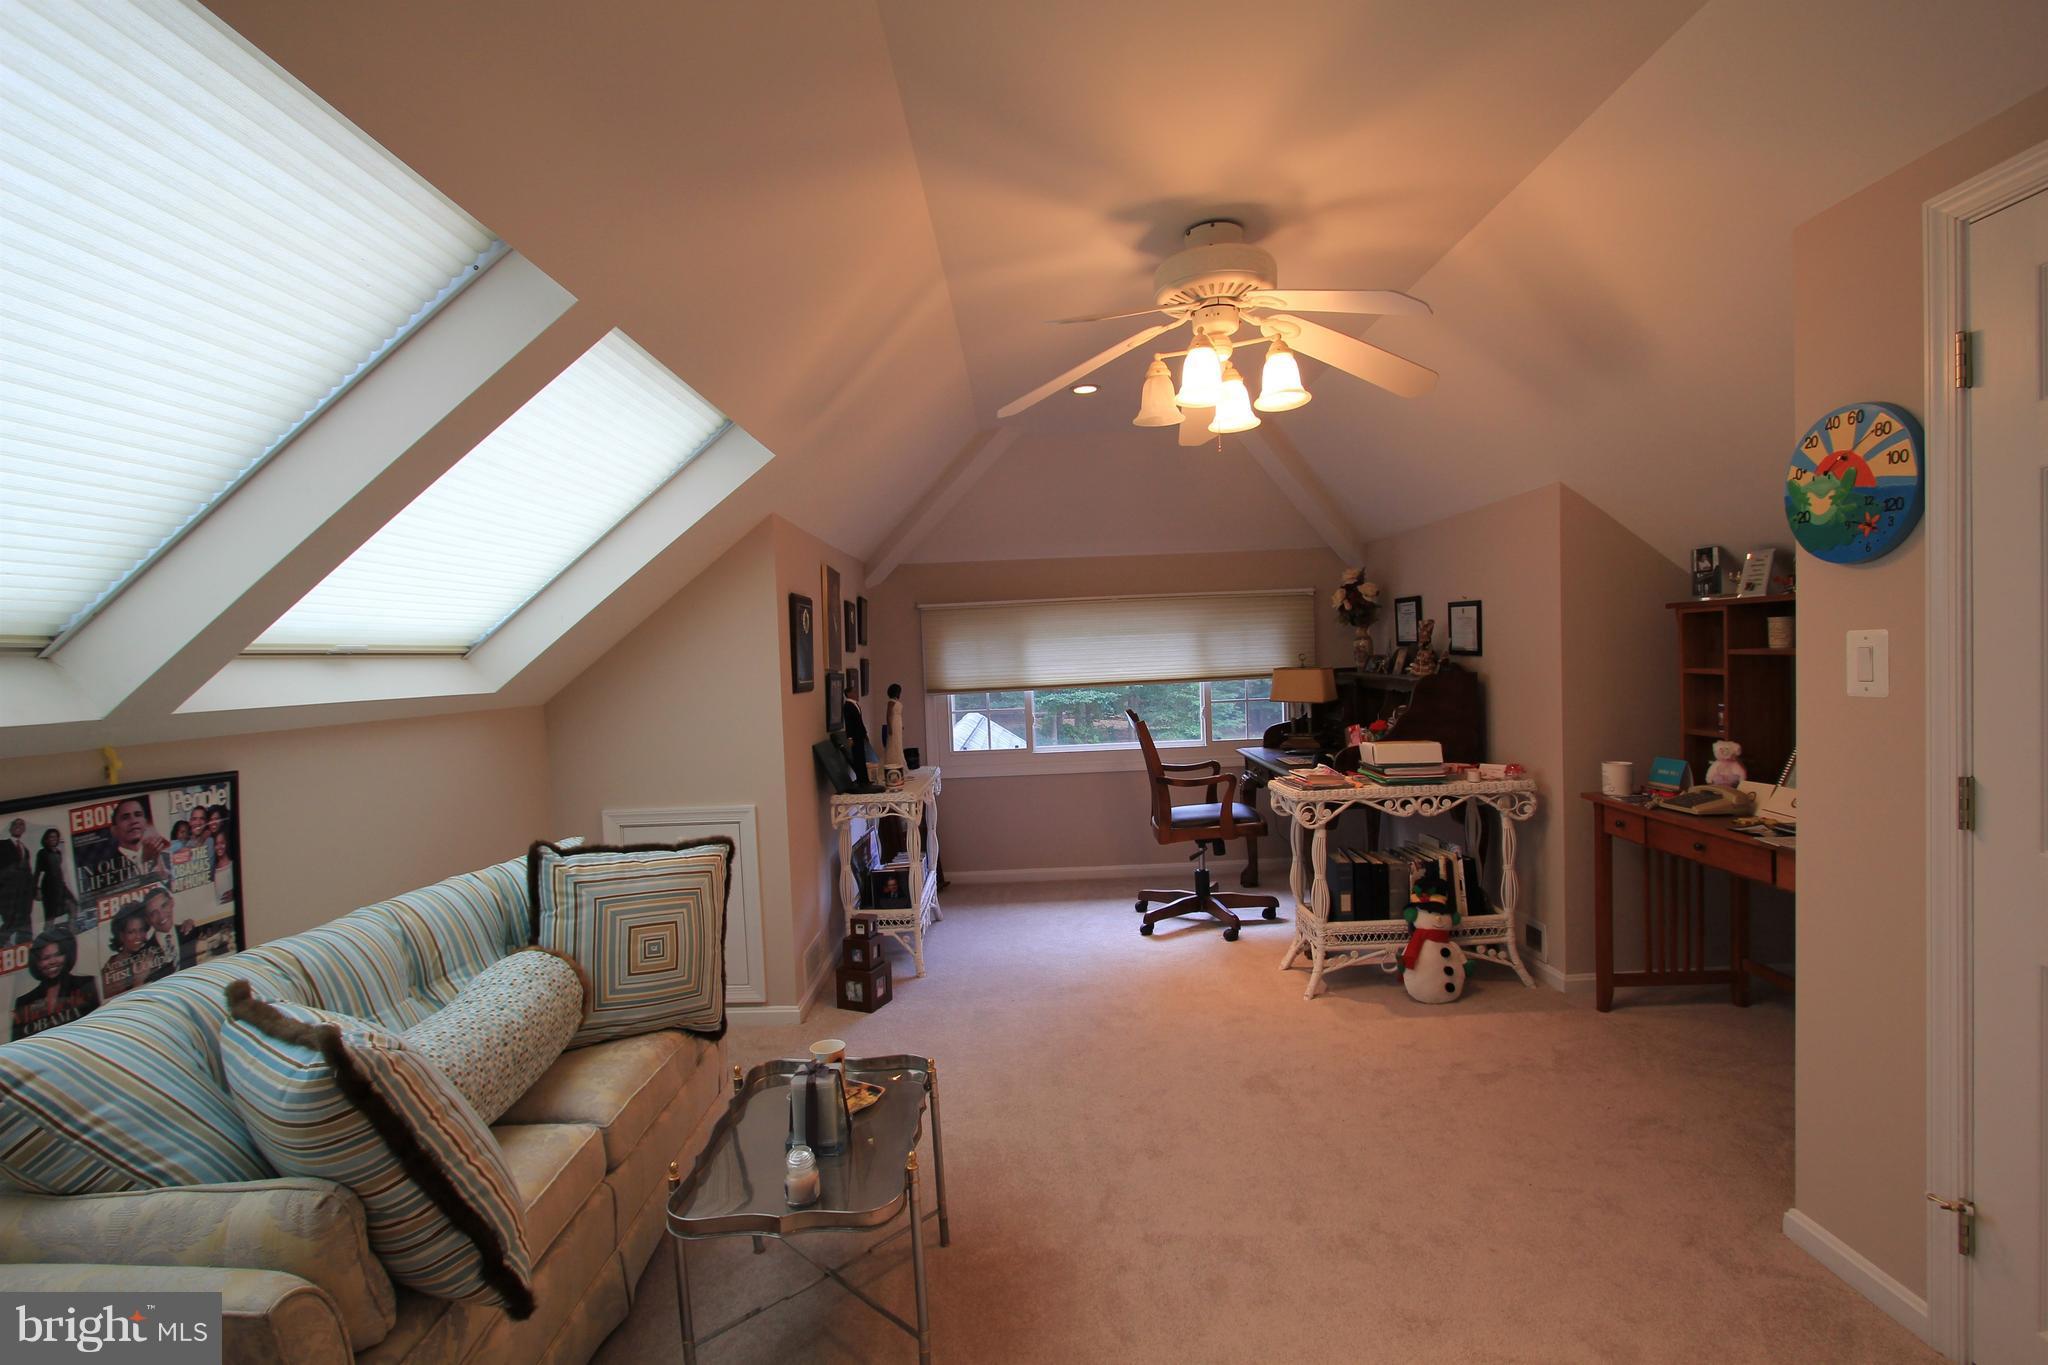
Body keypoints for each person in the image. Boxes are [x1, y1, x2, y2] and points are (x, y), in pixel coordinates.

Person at [11, 928, 100, 1039]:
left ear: (67, 956)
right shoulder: (24, 1002)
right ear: (37, 963)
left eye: (58, 955)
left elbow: (96, 1028)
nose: (53, 961)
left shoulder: (85, 984)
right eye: (46, 958)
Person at [140, 884, 199, 981]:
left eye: (164, 906)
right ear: (148, 919)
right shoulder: (145, 954)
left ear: (172, 902)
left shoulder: (191, 930)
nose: (161, 916)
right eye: (153, 913)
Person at [100, 905, 160, 1000]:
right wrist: (138, 982)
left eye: (141, 930)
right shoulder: (113, 969)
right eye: (131, 932)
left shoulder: (151, 951)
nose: (138, 936)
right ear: (121, 936)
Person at [0, 818, 33, 946]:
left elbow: (28, 873)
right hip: (8, 894)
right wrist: (15, 867)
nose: (18, 826)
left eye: (21, 824)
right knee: (11, 922)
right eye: (15, 824)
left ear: (24, 829)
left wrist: (34, 890)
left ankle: (26, 948)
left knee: (25, 924)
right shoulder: (2, 845)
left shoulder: (25, 850)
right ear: (10, 828)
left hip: (24, 895)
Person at [34, 828, 77, 928]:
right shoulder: (42, 853)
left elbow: (59, 870)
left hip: (60, 885)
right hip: (49, 887)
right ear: (46, 839)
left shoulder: (58, 852)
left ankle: (71, 929)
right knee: (50, 915)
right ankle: (47, 938)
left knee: (73, 905)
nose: (54, 839)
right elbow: (38, 872)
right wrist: (36, 889)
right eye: (51, 837)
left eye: (56, 837)